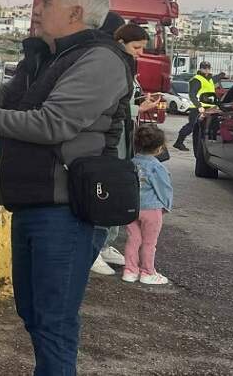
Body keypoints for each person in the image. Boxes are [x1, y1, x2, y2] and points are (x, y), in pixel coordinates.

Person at [0, 0, 130, 375]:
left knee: (54, 323)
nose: (36, 9)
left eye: (47, 2)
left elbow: (53, 124)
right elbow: (14, 109)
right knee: (34, 314)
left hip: (65, 211)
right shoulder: (45, 56)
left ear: (75, 13)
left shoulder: (99, 60)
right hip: (33, 202)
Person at [91, 22, 159, 276]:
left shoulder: (127, 66)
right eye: (137, 47)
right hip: (112, 137)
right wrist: (137, 108)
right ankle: (94, 249)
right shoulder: (112, 66)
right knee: (107, 190)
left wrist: (139, 106)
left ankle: (105, 243)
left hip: (123, 136)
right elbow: (107, 103)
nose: (140, 53)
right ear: (121, 43)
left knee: (117, 189)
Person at [122, 124, 174, 285]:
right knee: (149, 242)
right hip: (151, 209)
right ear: (159, 148)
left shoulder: (130, 163)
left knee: (133, 239)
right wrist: (166, 206)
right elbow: (164, 188)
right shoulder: (157, 167)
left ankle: (130, 270)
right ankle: (147, 272)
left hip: (131, 207)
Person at [172, 61, 217, 151]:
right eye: (204, 68)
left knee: (206, 127)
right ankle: (178, 143)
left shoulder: (209, 79)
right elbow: (192, 94)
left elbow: (215, 79)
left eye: (208, 68)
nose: (206, 70)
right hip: (197, 108)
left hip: (209, 107)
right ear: (200, 69)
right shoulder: (196, 79)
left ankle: (202, 146)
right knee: (192, 126)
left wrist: (222, 74)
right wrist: (199, 106)